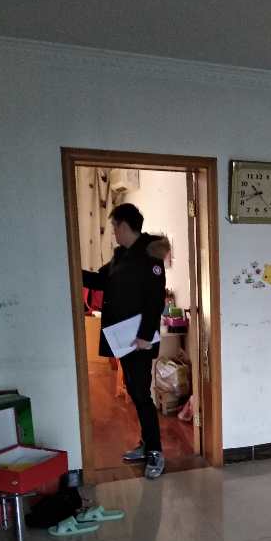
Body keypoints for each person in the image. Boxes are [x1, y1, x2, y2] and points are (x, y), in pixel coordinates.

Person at [82, 203, 169, 479]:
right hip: (123, 337)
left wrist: (145, 336)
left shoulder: (150, 255)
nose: (113, 233)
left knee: (142, 394)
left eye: (114, 227)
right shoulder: (120, 256)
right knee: (134, 390)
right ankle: (146, 443)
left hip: (139, 339)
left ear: (123, 225)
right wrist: (71, 269)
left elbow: (155, 300)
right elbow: (101, 281)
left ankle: (155, 451)